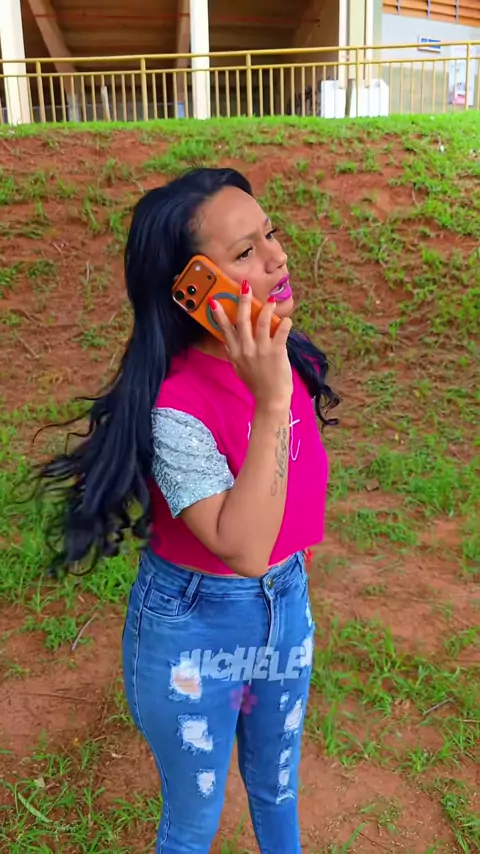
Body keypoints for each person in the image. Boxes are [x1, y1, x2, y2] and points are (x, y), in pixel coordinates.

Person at [37, 167, 339, 853]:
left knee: (278, 788)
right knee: (194, 819)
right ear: (190, 288)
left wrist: (274, 387)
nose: (277, 258)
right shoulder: (176, 407)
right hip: (194, 631)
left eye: (271, 234)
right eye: (245, 252)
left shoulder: (279, 354)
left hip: (284, 607)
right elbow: (244, 547)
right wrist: (271, 402)